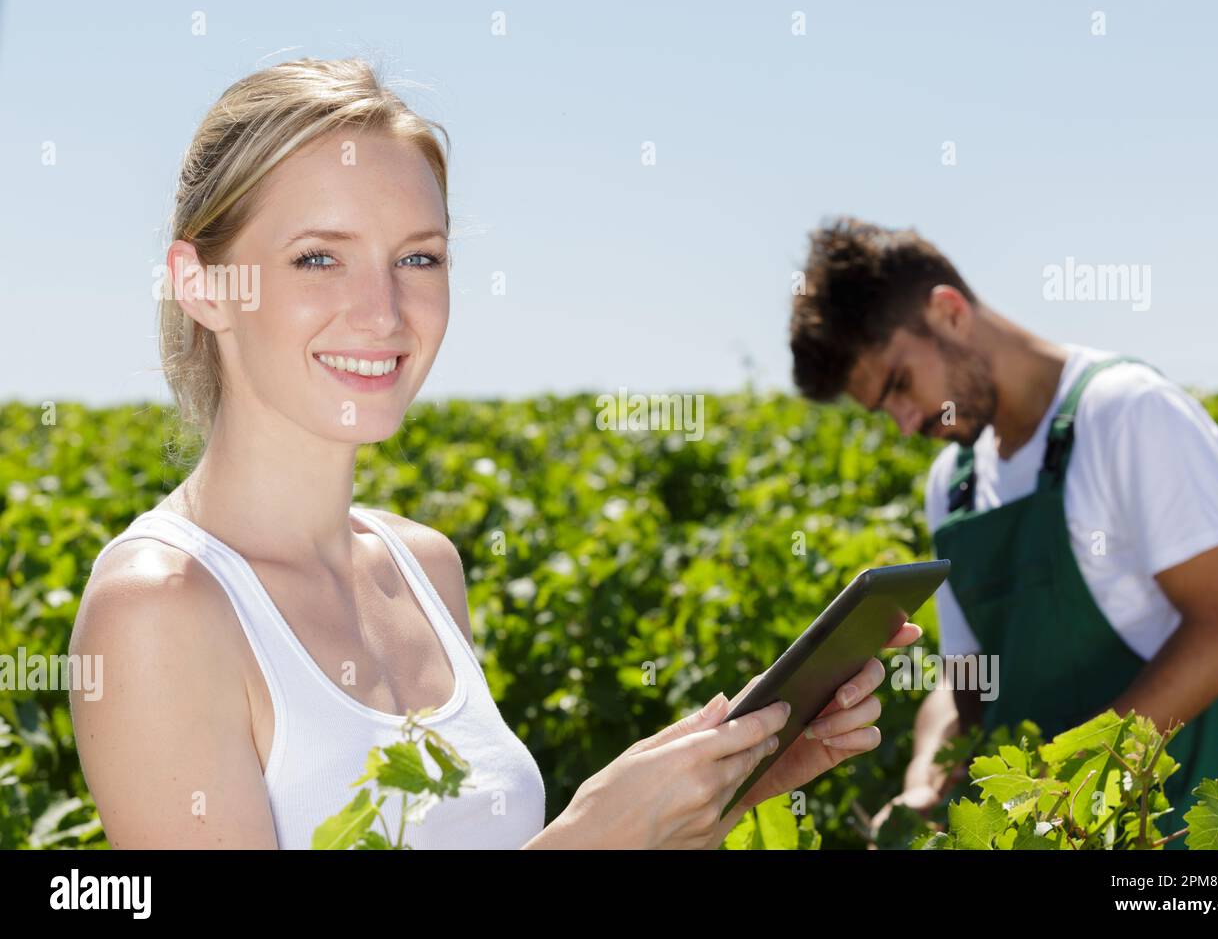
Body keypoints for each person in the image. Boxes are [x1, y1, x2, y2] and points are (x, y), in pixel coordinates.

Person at [67, 59, 919, 850]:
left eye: (418, 257)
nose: (383, 311)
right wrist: (589, 838)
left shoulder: (423, 567)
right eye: (318, 257)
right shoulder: (160, 609)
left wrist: (708, 799)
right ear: (202, 284)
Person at [787, 218, 1218, 848]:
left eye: (899, 384)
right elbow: (969, 683)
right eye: (883, 408)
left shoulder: (1127, 413)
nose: (904, 423)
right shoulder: (951, 483)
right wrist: (927, 775)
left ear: (949, 313)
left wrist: (1061, 781)